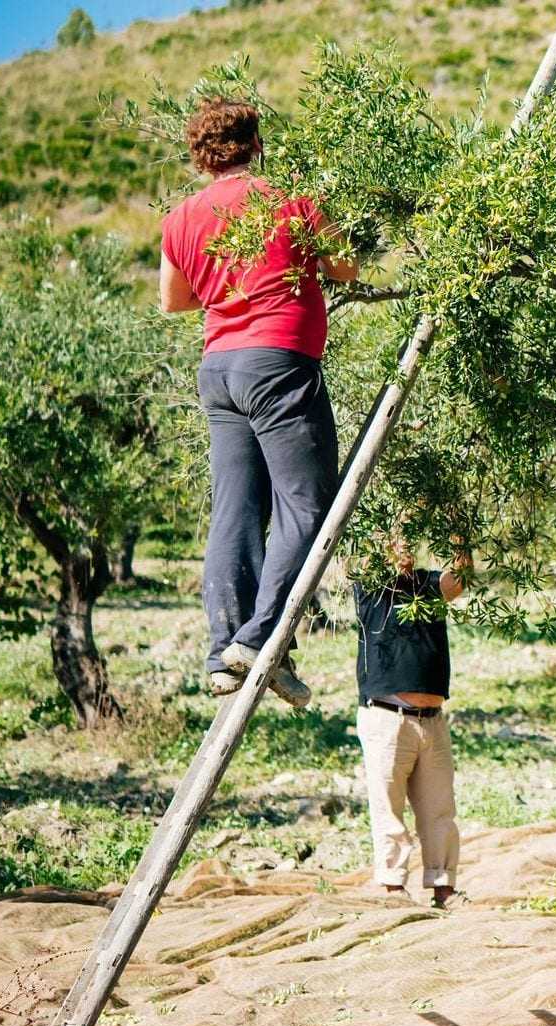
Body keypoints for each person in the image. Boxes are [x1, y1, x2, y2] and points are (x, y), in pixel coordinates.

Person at [161, 98, 358, 704]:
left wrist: (232, 292)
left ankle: (226, 650)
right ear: (256, 143)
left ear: (200, 156)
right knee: (308, 505)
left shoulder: (181, 217)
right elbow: (345, 266)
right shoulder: (288, 199)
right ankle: (261, 634)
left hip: (219, 368)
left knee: (236, 510)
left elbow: (174, 300)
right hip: (280, 362)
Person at [354, 536, 470, 907]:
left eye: (406, 542)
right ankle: (391, 886)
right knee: (388, 806)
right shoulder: (371, 589)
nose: (402, 550)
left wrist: (459, 536)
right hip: (387, 718)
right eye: (393, 544)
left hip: (432, 721)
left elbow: (459, 578)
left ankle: (443, 887)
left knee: (439, 809)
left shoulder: (429, 586)